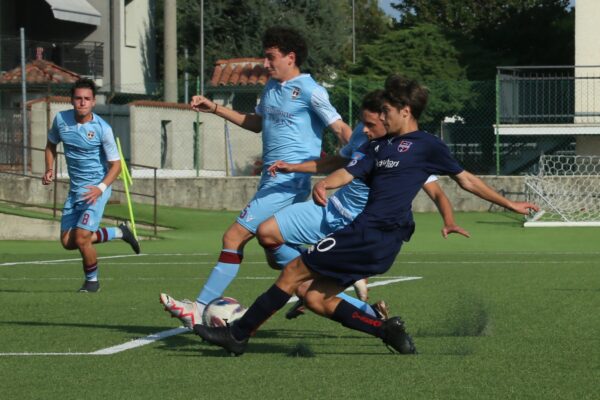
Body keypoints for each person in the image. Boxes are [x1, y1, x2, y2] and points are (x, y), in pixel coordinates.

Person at [193, 74, 539, 356]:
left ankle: (238, 335)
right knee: (314, 297)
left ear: (405, 111)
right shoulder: (376, 146)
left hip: (374, 233)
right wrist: (327, 184)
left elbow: (466, 180)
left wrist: (511, 204)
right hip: (371, 237)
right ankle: (385, 330)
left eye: (387, 110)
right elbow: (348, 171)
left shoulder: (428, 145)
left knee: (294, 272)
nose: (381, 116)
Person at [159, 26, 352, 327]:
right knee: (277, 255)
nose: (265, 64)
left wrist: (364, 155)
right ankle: (354, 303)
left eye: (270, 57)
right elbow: (256, 123)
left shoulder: (312, 90)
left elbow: (340, 128)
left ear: (290, 57)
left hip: (289, 182)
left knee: (234, 236)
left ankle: (197, 308)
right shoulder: (271, 87)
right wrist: (215, 109)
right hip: (270, 180)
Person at [258, 90, 469, 320]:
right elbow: (339, 162)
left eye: (374, 121)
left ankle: (370, 314)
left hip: (358, 226)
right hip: (330, 207)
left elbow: (438, 193)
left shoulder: (411, 150)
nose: (365, 128)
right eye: (364, 122)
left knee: (306, 289)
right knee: (267, 233)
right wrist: (295, 167)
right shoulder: (364, 132)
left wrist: (449, 221)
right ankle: (308, 280)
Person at [42, 78, 140, 293]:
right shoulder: (61, 120)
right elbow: (50, 146)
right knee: (68, 242)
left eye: (87, 99)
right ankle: (119, 232)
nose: (82, 102)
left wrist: (100, 189)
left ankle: (92, 282)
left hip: (97, 189)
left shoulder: (102, 129)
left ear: (94, 102)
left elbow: (116, 166)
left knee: (82, 237)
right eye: (78, 98)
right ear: (72, 100)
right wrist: (49, 168)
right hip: (75, 190)